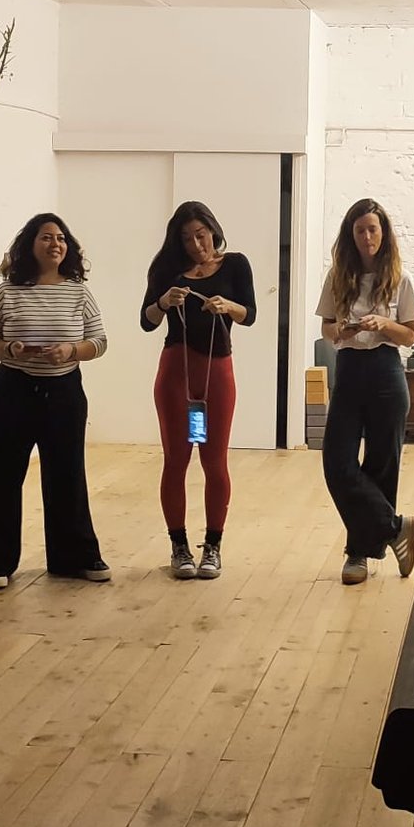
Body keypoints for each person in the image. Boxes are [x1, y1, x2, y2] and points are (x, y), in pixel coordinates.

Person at [0, 212, 111, 588]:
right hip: (11, 392)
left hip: (64, 393)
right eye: (46, 238)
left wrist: (71, 350)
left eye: (61, 238)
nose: (56, 244)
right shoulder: (6, 291)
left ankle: (74, 557)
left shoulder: (79, 292)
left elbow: (99, 342)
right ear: (29, 246)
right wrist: (10, 347)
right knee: (0, 477)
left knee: (66, 476)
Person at [140, 202, 257, 581]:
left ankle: (213, 546)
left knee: (214, 460)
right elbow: (146, 321)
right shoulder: (166, 271)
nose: (195, 244)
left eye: (201, 235)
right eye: (187, 238)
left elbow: (250, 314)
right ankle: (179, 546)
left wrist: (229, 306)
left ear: (213, 230)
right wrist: (163, 301)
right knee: (177, 458)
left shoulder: (236, 264)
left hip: (216, 372)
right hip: (177, 372)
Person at [316, 198, 414, 586]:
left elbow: (409, 335)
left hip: (385, 371)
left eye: (373, 229)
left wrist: (383, 324)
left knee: (381, 465)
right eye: (359, 230)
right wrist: (340, 331)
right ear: (351, 235)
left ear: (384, 232)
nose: (366, 237)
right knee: (337, 462)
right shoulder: (338, 277)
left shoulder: (400, 278)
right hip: (349, 369)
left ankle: (358, 554)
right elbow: (327, 328)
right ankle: (395, 527)